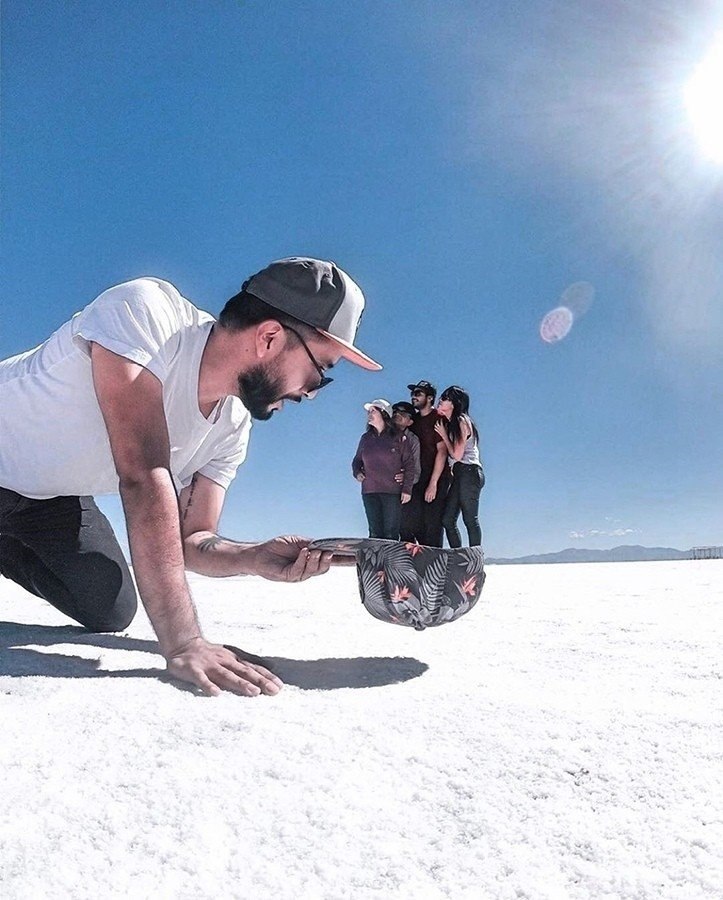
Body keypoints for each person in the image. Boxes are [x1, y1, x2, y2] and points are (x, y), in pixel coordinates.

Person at [0, 257, 381, 698]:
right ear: (270, 337)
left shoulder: (231, 428)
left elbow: (190, 541)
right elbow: (143, 474)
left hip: (52, 501)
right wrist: (183, 642)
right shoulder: (147, 312)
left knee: (109, 607)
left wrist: (254, 556)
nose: (310, 393)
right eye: (321, 373)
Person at [351, 399, 415, 540]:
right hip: (369, 492)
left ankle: (390, 556)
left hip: (392, 493)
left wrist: (407, 489)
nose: (369, 414)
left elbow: (409, 464)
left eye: (373, 411)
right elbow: (356, 461)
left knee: (390, 532)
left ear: (384, 414)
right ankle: (376, 556)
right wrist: (358, 473)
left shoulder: (399, 438)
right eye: (368, 412)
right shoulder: (366, 438)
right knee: (375, 532)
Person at [399, 380, 450, 547]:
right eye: (412, 393)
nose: (413, 396)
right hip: (417, 479)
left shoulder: (438, 418)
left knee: (432, 523)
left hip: (436, 478)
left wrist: (433, 483)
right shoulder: (413, 421)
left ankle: (435, 560)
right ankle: (411, 558)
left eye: (418, 393)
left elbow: (442, 451)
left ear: (430, 398)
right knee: (410, 522)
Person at [434, 385, 485, 548]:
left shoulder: (461, 421)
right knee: (447, 519)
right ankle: (458, 556)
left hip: (469, 471)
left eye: (445, 398)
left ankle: (475, 558)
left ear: (454, 403)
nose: (440, 400)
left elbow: (457, 454)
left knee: (470, 518)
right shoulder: (451, 423)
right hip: (460, 474)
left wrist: (444, 436)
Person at [391, 401, 421, 491]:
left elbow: (416, 472)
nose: (397, 415)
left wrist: (406, 477)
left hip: (401, 490)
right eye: (395, 412)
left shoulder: (412, 440)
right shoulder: (381, 435)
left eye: (403, 414)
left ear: (410, 422)